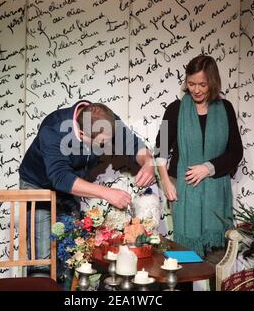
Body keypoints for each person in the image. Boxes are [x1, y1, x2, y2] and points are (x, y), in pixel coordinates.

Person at [19, 100, 155, 278]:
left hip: (72, 185)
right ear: (81, 133)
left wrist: (148, 163)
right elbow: (60, 178)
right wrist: (107, 193)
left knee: (73, 252)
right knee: (43, 259)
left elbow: (135, 146)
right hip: (38, 185)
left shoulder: (105, 122)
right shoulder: (52, 129)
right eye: (101, 144)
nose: (106, 146)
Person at [155, 55, 243, 259]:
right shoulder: (174, 109)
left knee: (217, 254)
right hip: (182, 188)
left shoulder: (226, 109)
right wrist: (167, 183)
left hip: (216, 188)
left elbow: (236, 152)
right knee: (185, 257)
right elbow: (160, 149)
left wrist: (207, 168)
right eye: (191, 83)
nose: (196, 89)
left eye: (202, 84)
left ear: (212, 82)